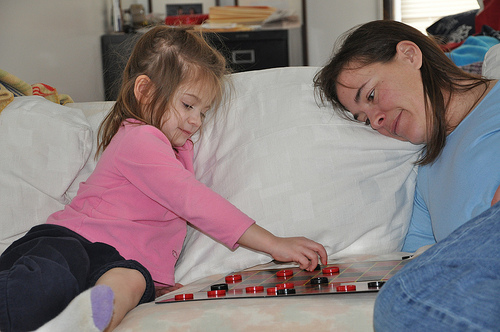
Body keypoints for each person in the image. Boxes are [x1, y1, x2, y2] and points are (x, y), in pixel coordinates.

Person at [0, 26, 327, 332]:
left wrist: (157, 279)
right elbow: (195, 202)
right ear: (144, 90)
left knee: (133, 282)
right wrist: (274, 243)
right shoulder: (140, 139)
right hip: (69, 242)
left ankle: (86, 320)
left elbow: (154, 232)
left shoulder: (180, 151)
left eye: (203, 111)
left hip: (115, 261)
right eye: (188, 105)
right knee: (46, 286)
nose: (196, 120)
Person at [314, 20, 500, 331]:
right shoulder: (425, 174)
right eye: (364, 119)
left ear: (410, 55)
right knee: (405, 297)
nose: (376, 121)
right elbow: (424, 267)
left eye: (371, 96)